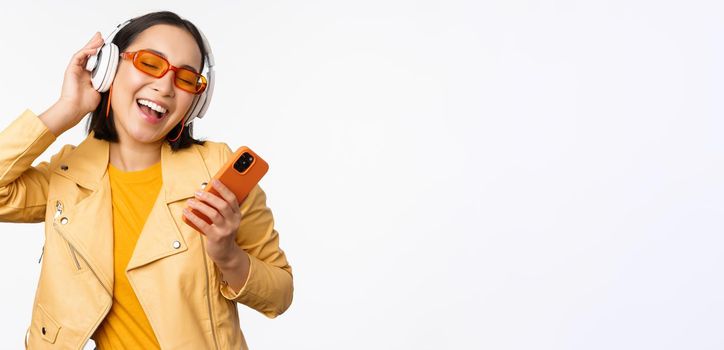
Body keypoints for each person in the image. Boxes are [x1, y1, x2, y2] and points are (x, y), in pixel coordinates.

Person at [0, 11, 293, 349]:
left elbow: (280, 294)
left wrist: (228, 255)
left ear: (196, 102)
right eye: (150, 63)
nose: (165, 86)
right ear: (108, 68)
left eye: (186, 79)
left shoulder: (217, 171)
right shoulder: (68, 174)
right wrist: (66, 108)